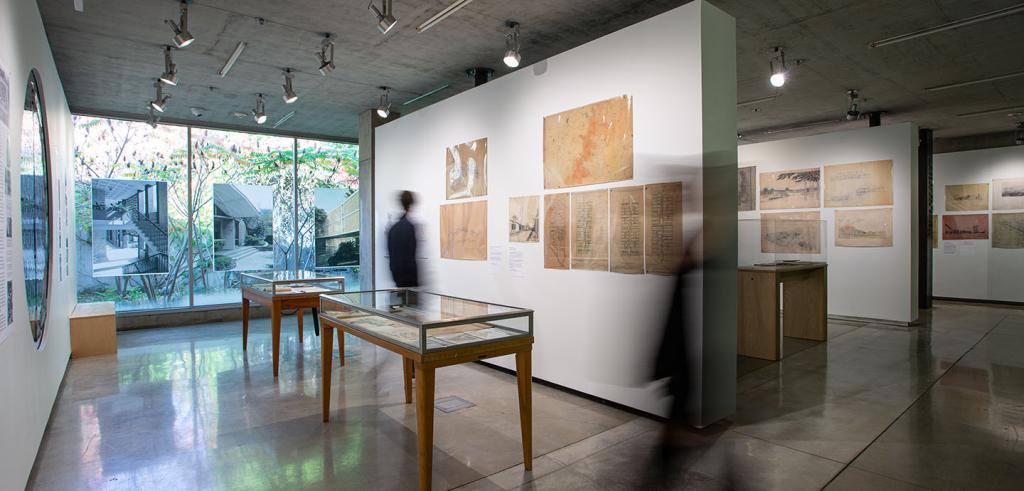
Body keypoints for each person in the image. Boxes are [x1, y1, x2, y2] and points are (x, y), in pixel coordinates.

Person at [387, 190, 420, 288]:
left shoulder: (393, 229)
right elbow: (410, 258)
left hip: (398, 280)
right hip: (409, 283)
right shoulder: (409, 227)